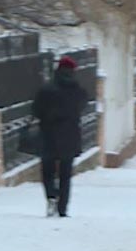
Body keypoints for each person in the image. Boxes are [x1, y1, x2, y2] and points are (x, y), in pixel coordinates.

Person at [31, 56, 91, 218]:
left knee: (48, 170)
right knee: (65, 173)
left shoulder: (46, 89)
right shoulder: (78, 91)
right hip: (70, 135)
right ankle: (62, 208)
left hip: (48, 134)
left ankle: (51, 195)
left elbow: (36, 110)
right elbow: (82, 107)